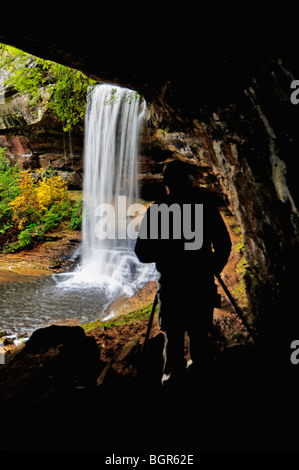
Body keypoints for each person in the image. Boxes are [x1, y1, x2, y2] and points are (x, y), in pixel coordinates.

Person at [134, 160, 232, 386]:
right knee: (200, 338)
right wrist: (211, 266)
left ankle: (172, 384)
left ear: (166, 183)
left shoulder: (157, 210)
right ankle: (200, 381)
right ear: (188, 181)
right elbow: (224, 245)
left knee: (173, 339)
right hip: (201, 284)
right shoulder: (205, 206)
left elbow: (142, 252)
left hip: (172, 285)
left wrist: (166, 251)